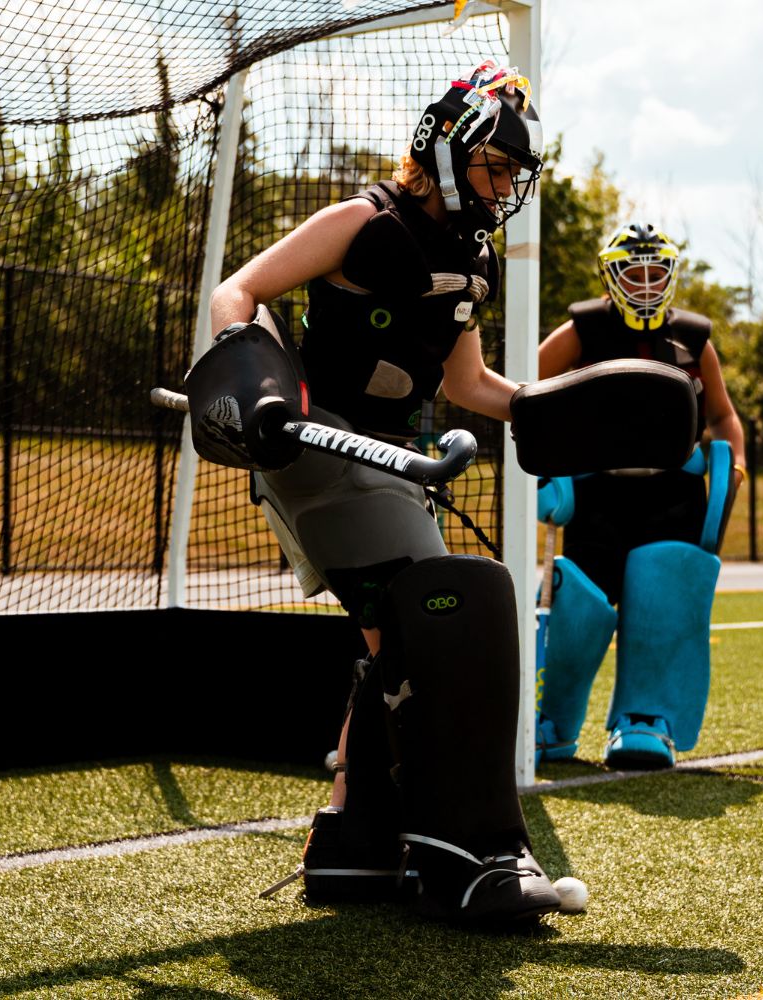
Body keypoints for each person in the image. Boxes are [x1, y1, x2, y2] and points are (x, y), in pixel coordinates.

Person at [183, 60, 560, 922]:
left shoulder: (472, 263)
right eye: (493, 165)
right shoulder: (363, 220)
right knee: (445, 610)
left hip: (393, 465)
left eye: (513, 172)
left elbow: (467, 384)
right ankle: (466, 852)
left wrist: (551, 408)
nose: (504, 185)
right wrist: (255, 380)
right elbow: (237, 291)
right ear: (444, 147)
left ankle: (355, 844)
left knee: (405, 629)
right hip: (316, 447)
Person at [533, 223, 747, 770]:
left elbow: (722, 415)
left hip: (673, 494)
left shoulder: (695, 339)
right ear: (611, 276)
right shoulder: (583, 330)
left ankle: (645, 721)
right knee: (576, 602)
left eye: (657, 271)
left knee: (664, 597)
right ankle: (549, 722)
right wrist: (545, 467)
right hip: (596, 492)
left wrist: (734, 461)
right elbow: (521, 390)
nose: (647, 282)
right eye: (635, 271)